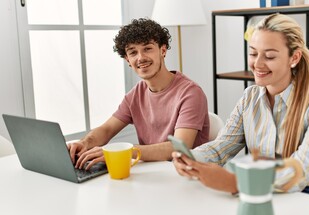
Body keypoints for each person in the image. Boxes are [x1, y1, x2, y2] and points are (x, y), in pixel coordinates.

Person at [172, 13, 309, 199]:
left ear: (294, 58)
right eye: (253, 53)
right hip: (261, 188)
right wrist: (191, 158)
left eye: (269, 56)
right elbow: (222, 146)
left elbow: (302, 170)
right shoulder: (249, 98)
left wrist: (237, 183)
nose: (257, 64)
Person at [68, 18, 209, 170]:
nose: (140, 58)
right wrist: (84, 143)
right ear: (127, 59)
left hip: (187, 175)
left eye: (147, 48)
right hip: (151, 173)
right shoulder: (134, 95)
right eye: (133, 52)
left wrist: (122, 152)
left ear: (162, 50)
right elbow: (107, 129)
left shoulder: (191, 93)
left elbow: (179, 148)